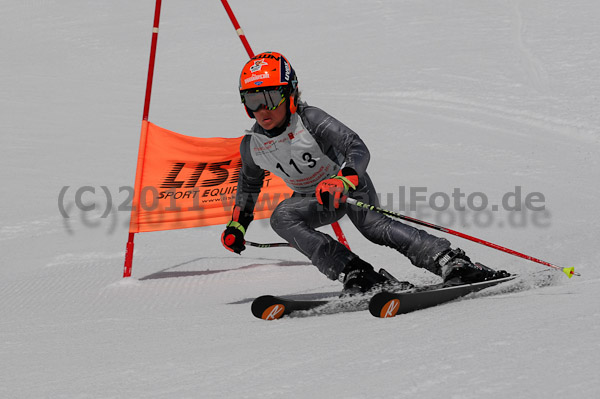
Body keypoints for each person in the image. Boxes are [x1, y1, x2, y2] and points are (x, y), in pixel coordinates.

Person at [221, 51, 508, 293]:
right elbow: (248, 186)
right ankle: (356, 273)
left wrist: (344, 179)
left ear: (289, 94)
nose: (262, 110)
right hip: (315, 200)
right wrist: (237, 225)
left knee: (375, 228)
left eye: (270, 97)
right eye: (252, 101)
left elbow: (356, 147)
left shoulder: (309, 120)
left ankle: (451, 261)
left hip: (349, 186)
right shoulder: (253, 145)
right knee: (281, 217)